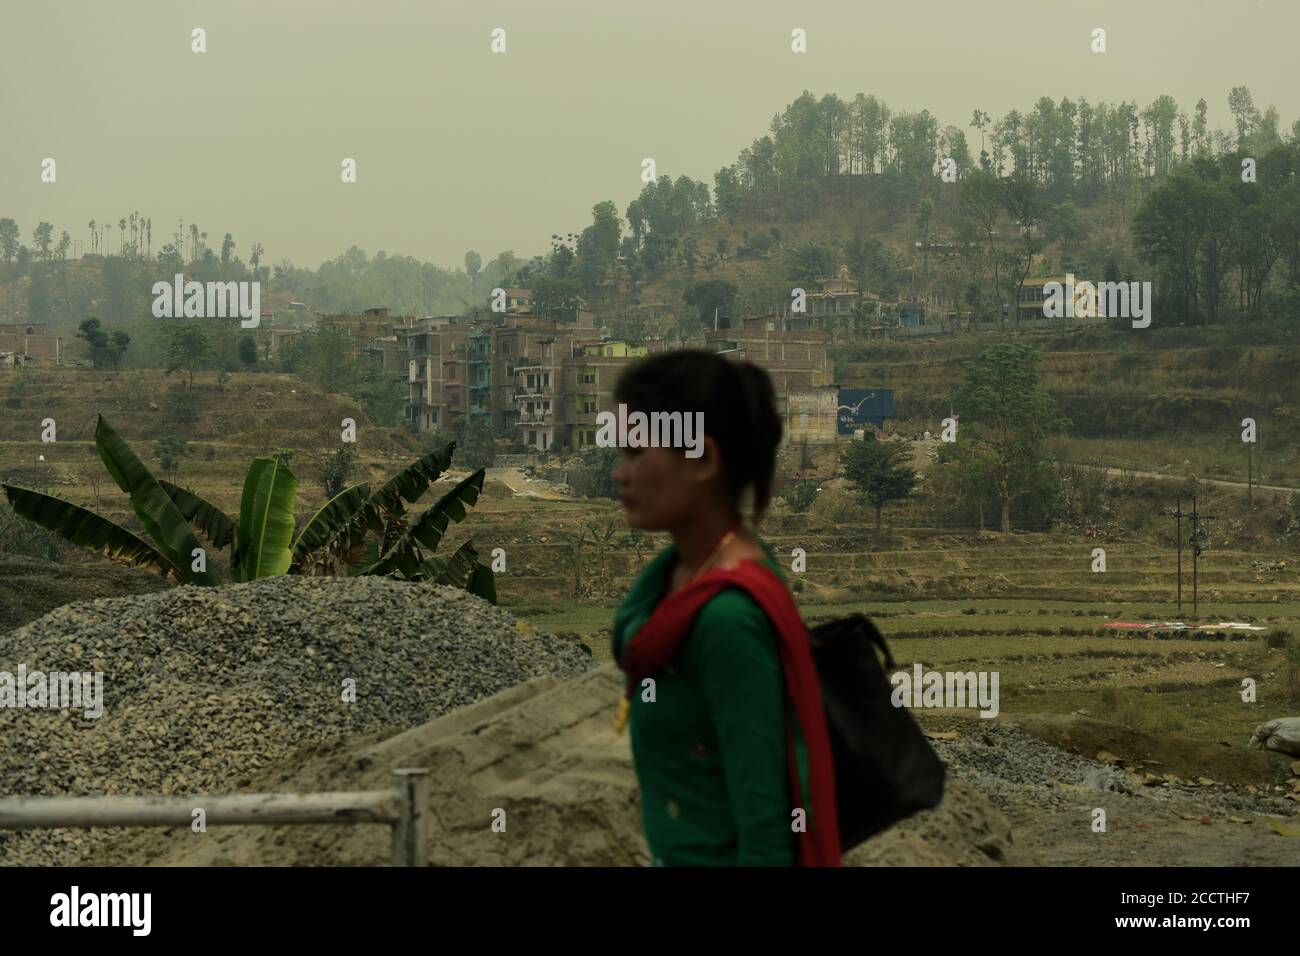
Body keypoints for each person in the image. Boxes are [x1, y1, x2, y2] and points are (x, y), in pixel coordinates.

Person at [609, 349, 840, 867]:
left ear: (702, 460)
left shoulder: (727, 620)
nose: (620, 474)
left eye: (633, 452)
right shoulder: (677, 581)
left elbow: (767, 832)